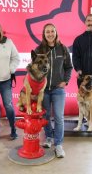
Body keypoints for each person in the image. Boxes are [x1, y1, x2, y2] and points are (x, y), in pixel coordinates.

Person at [35, 23, 73, 158]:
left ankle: (58, 144)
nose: (50, 34)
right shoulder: (39, 49)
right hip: (43, 90)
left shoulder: (63, 49)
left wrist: (66, 81)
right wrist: (38, 84)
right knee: (45, 116)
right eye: (47, 32)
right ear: (44, 34)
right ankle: (49, 138)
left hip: (58, 89)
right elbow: (34, 68)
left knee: (58, 117)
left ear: (56, 33)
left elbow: (69, 67)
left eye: (52, 31)